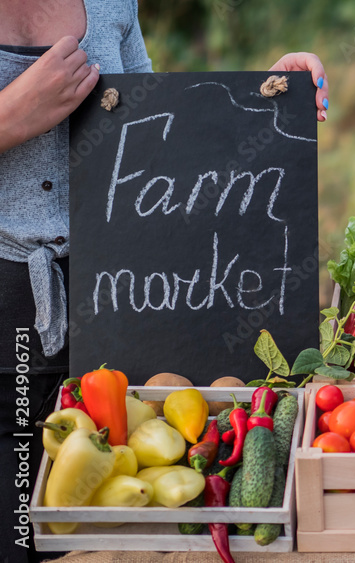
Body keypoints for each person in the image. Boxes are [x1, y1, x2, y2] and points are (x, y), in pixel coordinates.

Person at [0, 1, 328, 560]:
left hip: (120, 292)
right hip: (9, 294)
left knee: (111, 518)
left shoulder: (110, 3)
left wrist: (268, 104)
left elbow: (158, 140)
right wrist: (10, 116)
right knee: (15, 531)